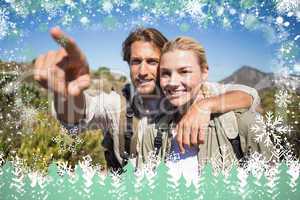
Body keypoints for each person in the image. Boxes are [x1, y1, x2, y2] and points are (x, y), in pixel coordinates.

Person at [34, 27, 260, 171]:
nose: (142, 71)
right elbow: (78, 115)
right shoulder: (119, 103)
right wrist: (66, 94)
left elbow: (249, 95)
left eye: (152, 62)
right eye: (135, 61)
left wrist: (204, 106)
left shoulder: (185, 92)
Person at [137, 37, 273, 184]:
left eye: (184, 71)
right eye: (165, 73)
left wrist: (203, 106)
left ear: (204, 72)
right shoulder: (154, 133)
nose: (173, 82)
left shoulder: (240, 124)